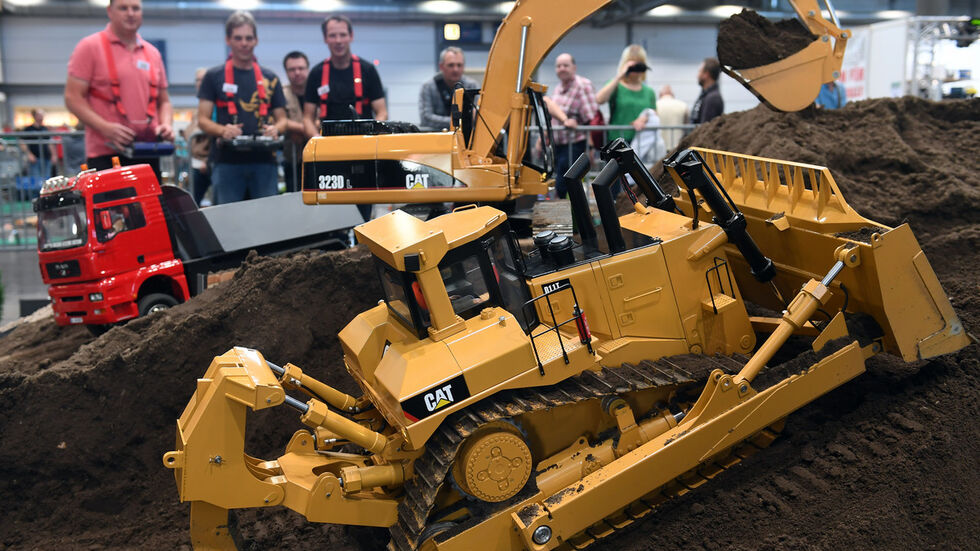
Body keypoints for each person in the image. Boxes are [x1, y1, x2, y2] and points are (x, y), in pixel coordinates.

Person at [65, 0, 174, 178]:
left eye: (135, 8)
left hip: (147, 151)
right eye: (123, 8)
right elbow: (72, 97)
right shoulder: (90, 47)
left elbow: (164, 101)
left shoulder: (152, 53)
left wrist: (166, 125)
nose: (130, 13)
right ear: (110, 11)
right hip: (106, 154)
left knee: (151, 197)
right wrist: (105, 128)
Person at [197, 11, 287, 205]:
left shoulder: (270, 77)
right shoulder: (213, 76)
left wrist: (276, 129)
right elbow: (202, 119)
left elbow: (283, 119)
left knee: (267, 218)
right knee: (228, 220)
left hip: (264, 162)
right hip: (226, 163)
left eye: (248, 38)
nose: (244, 43)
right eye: (238, 38)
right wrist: (223, 130)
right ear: (228, 40)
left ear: (256, 40)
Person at [303, 15, 387, 140]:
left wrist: (373, 135)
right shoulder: (316, 73)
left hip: (363, 142)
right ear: (325, 38)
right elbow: (307, 118)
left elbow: (382, 112)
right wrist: (316, 139)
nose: (338, 40)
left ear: (351, 36)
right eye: (332, 35)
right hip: (328, 143)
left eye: (343, 35)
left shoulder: (368, 70)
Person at [543, 53, 598, 199]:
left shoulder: (582, 85)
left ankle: (571, 208)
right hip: (558, 143)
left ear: (574, 67)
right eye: (558, 66)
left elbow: (589, 116)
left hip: (574, 142)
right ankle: (566, 206)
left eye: (565, 65)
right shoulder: (558, 88)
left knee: (565, 181)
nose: (562, 68)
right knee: (560, 180)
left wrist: (590, 145)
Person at [596, 44, 656, 144]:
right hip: (617, 140)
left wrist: (644, 118)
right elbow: (599, 99)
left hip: (642, 140)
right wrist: (619, 76)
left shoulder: (649, 91)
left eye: (639, 64)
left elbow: (654, 113)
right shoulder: (616, 85)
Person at [418, 46, 480, 131]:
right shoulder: (428, 87)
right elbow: (426, 118)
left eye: (459, 65)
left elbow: (479, 116)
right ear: (441, 66)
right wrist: (459, 121)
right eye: (451, 65)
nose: (455, 69)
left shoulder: (472, 86)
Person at [282, 51, 310, 192]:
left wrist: (309, 127)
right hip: (292, 156)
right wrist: (304, 128)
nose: (297, 73)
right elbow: (278, 119)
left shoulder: (318, 91)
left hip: (318, 156)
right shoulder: (281, 93)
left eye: (301, 68)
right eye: (292, 69)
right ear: (286, 72)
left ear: (307, 68)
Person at [185, 68, 212, 205]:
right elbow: (189, 135)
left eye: (203, 79)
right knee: (190, 203)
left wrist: (208, 160)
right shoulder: (197, 110)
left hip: (209, 163)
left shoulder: (214, 107)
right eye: (198, 80)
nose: (200, 83)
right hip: (195, 163)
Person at [19, 109, 58, 182]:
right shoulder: (28, 129)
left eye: (42, 115)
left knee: (47, 179)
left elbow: (50, 142)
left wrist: (53, 155)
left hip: (46, 157)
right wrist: (29, 154)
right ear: (34, 116)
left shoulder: (45, 129)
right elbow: (22, 142)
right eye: (39, 115)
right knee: (35, 179)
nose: (41, 117)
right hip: (35, 158)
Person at [655, 85, 688, 152]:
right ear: (672, 94)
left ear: (660, 94)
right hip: (677, 145)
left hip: (659, 146)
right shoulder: (683, 105)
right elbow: (686, 124)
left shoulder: (655, 106)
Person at [691, 57, 724, 124]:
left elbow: (706, 126)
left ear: (706, 74)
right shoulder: (705, 95)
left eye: (700, 71)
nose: (697, 75)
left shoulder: (713, 98)